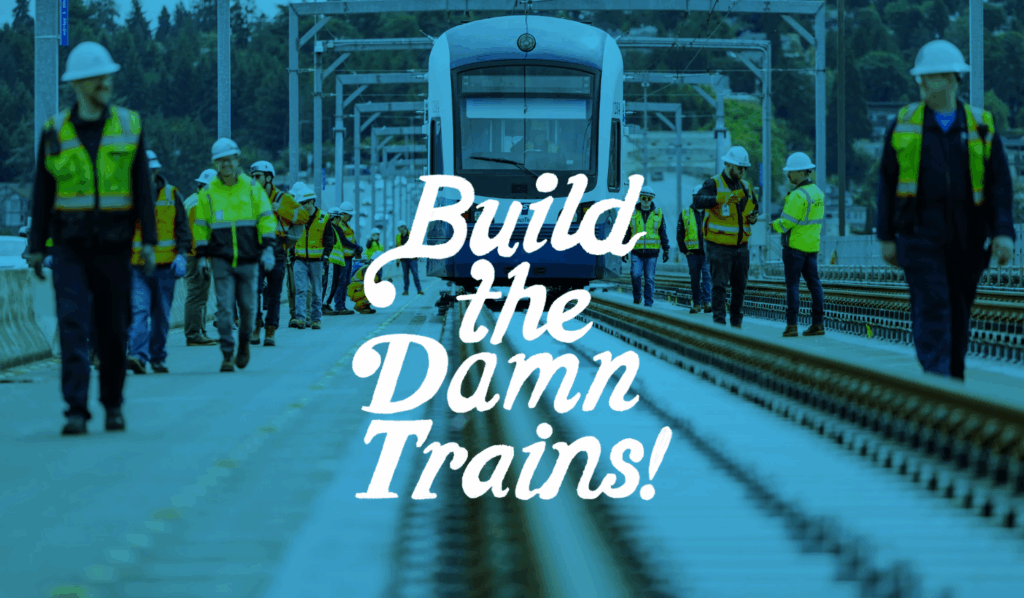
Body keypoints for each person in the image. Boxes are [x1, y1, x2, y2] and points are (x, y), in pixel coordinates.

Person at [25, 41, 157, 435]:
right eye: (98, 78)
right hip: (69, 247)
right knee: (72, 324)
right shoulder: (55, 131)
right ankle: (76, 410)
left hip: (115, 247)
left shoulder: (130, 125)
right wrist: (35, 247)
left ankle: (113, 404)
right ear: (79, 84)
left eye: (108, 77)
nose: (106, 83)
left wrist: (148, 240)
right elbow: (42, 193)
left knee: (114, 328)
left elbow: (142, 190)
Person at [877, 39, 1015, 380]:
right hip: (919, 238)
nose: (922, 84)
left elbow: (1000, 185)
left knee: (959, 310)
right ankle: (937, 379)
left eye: (930, 77)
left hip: (967, 240)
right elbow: (885, 183)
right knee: (933, 304)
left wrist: (1003, 232)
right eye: (922, 78)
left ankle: (952, 377)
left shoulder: (981, 127)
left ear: (953, 79)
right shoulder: (904, 124)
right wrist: (886, 237)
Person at [193, 138, 276, 372]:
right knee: (225, 309)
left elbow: (266, 218)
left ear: (237, 160)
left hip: (249, 260)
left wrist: (268, 248)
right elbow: (200, 227)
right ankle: (227, 353)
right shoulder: (208, 193)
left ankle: (243, 345)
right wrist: (200, 256)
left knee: (249, 309)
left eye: (229, 159)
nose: (226, 164)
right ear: (215, 164)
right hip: (221, 260)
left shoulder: (251, 188)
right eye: (220, 161)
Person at [126, 151, 191, 373]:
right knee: (139, 311)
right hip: (137, 267)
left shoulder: (172, 195)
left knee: (161, 316)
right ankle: (137, 355)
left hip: (165, 267)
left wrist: (182, 255)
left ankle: (157, 356)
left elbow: (183, 229)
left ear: (155, 172)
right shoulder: (127, 197)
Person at [693, 146, 760, 328]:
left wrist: (753, 216)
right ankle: (719, 324)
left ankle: (736, 323)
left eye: (744, 168)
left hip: (741, 246)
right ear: (729, 165)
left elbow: (755, 207)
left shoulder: (746, 186)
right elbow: (698, 201)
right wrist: (721, 198)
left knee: (740, 287)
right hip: (718, 245)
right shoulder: (713, 183)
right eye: (740, 168)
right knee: (719, 286)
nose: (742, 171)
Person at [249, 160, 306, 346]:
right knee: (253, 291)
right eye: (252, 177)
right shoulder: (249, 198)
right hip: (254, 250)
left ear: (268, 177)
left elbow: (303, 216)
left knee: (274, 293)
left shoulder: (283, 198)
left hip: (277, 250)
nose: (254, 180)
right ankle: (256, 326)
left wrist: (281, 210)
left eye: (257, 176)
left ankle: (270, 330)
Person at [772, 152, 826, 337]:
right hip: (812, 248)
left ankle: (792, 325)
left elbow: (786, 223)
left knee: (792, 286)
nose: (789, 175)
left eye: (792, 172)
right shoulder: (818, 193)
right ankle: (818, 323)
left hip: (794, 248)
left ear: (802, 172)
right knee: (815, 285)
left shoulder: (797, 195)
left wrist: (772, 224)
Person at [289, 186, 334, 330]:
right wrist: (291, 253)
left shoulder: (324, 217)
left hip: (317, 261)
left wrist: (326, 255)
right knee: (300, 290)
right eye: (302, 203)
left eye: (307, 202)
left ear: (313, 202)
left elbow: (329, 239)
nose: (305, 206)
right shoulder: (296, 218)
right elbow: (290, 237)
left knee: (316, 291)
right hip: (299, 260)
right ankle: (301, 319)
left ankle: (316, 319)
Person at [183, 168, 218, 346]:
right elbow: (197, 235)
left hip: (196, 255)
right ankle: (194, 334)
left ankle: (200, 331)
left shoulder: (195, 200)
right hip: (196, 256)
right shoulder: (197, 204)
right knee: (196, 295)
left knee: (200, 295)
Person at [621, 185, 669, 307]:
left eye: (649, 198)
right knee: (635, 275)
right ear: (640, 198)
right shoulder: (632, 213)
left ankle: (648, 303)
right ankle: (637, 297)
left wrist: (666, 249)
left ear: (652, 199)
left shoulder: (658, 214)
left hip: (652, 253)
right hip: (636, 251)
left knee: (649, 279)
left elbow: (662, 232)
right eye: (643, 197)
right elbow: (627, 232)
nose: (646, 201)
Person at [677, 184, 712, 314]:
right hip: (692, 253)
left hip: (707, 253)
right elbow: (679, 234)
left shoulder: (710, 213)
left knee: (707, 277)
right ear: (693, 197)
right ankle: (697, 304)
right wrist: (685, 251)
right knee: (695, 278)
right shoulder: (685, 213)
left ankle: (707, 302)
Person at [324, 202, 360, 314]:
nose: (351, 217)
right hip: (341, 258)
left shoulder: (345, 225)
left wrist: (356, 247)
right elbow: (344, 241)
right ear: (343, 214)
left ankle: (341, 305)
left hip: (348, 258)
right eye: (349, 215)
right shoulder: (337, 225)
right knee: (340, 282)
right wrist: (356, 247)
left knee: (344, 282)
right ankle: (338, 305)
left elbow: (351, 239)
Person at [347, 246, 381, 314]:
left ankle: (365, 306)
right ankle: (360, 306)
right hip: (356, 291)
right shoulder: (367, 268)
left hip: (357, 290)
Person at [395, 220, 423, 295]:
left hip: (412, 258)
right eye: (398, 229)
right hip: (404, 259)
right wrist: (397, 260)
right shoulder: (398, 237)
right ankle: (406, 290)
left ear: (403, 227)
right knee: (405, 275)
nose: (399, 230)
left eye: (400, 228)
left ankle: (419, 289)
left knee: (415, 274)